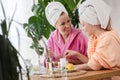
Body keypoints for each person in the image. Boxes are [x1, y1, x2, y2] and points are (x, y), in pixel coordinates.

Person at [64, 0, 120, 79]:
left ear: (92, 22)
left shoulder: (108, 39)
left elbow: (94, 65)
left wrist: (74, 68)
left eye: (83, 25)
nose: (83, 29)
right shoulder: (94, 38)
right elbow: (93, 62)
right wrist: (76, 54)